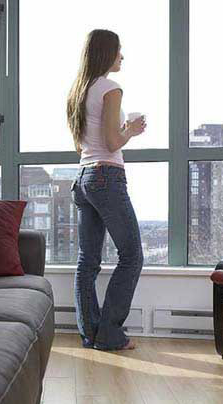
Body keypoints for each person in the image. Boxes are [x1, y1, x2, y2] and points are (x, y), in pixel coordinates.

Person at [66, 29, 146, 351]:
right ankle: (110, 334)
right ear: (106, 53)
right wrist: (132, 130)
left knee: (88, 261)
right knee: (132, 256)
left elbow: (81, 146)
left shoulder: (77, 91)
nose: (122, 56)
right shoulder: (111, 88)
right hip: (106, 178)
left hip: (83, 179)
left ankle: (91, 333)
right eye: (118, 51)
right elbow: (112, 142)